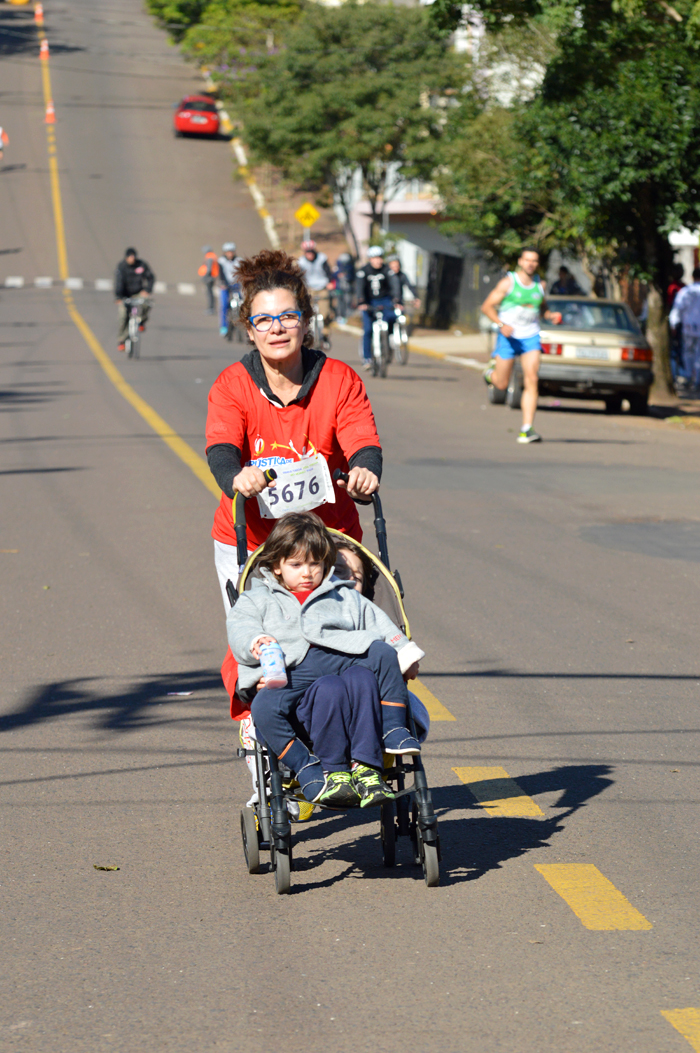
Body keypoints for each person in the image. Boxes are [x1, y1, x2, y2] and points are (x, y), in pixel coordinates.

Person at [205, 247, 383, 612]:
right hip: (253, 541)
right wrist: (236, 477)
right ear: (250, 331)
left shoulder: (340, 380)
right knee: (258, 649)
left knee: (342, 641)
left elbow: (362, 440)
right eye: (264, 320)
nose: (277, 328)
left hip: (329, 538)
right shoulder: (231, 385)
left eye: (288, 316)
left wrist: (364, 472)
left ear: (305, 322)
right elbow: (221, 447)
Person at [228, 512, 425, 807]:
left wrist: (405, 652)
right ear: (276, 567)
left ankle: (392, 732)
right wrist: (256, 641)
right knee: (264, 708)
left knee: (382, 652)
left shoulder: (341, 594)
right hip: (292, 668)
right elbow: (240, 627)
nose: (307, 573)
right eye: (296, 565)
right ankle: (307, 768)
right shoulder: (257, 598)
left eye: (315, 564)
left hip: (342, 657)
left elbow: (379, 622)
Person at [481, 247, 562, 444]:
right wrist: (501, 325)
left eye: (534, 261)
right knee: (501, 384)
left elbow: (542, 309)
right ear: (520, 261)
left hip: (530, 337)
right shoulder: (509, 282)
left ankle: (527, 428)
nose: (531, 264)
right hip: (508, 338)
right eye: (527, 260)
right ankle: (489, 373)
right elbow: (487, 306)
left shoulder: (539, 285)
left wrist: (550, 315)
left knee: (532, 379)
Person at [355, 246, 402, 370]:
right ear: (370, 259)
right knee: (368, 330)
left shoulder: (387, 270)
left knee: (393, 318)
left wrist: (397, 300)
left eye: (380, 258)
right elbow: (359, 287)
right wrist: (361, 301)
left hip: (385, 300)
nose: (378, 261)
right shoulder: (363, 271)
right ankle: (367, 358)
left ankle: (388, 342)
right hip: (369, 302)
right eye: (375, 258)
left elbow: (395, 284)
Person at [114, 247, 155, 352]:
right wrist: (119, 297)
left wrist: (147, 290)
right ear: (126, 257)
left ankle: (141, 321)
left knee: (147, 303)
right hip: (125, 295)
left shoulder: (141, 265)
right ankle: (122, 340)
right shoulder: (122, 267)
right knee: (123, 316)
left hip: (138, 293)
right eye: (130, 257)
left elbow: (150, 277)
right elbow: (118, 282)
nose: (132, 259)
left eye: (133, 256)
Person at [670, 267, 700, 394]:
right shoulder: (686, 291)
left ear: (693, 277)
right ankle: (697, 380)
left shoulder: (686, 291)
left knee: (688, 353)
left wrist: (674, 325)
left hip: (687, 328)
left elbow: (677, 310)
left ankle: (689, 376)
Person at [298, 240, 334, 323]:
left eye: (311, 252)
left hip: (322, 287)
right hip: (309, 288)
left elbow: (328, 271)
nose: (310, 255)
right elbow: (299, 275)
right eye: (307, 253)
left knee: (325, 311)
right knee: (307, 311)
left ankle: (325, 331)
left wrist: (330, 282)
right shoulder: (301, 262)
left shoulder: (322, 258)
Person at [217, 242, 241, 337]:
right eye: (228, 252)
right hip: (225, 285)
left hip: (236, 285)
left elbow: (242, 273)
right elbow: (220, 274)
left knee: (242, 303)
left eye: (231, 252)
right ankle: (224, 326)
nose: (230, 254)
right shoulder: (221, 261)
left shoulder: (239, 261)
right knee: (224, 306)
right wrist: (223, 283)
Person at [332, 252, 355, 324]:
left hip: (348, 289)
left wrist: (347, 275)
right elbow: (333, 276)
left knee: (348, 302)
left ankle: (348, 317)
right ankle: (340, 316)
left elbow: (352, 277)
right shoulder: (337, 268)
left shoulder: (351, 268)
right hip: (339, 288)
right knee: (340, 303)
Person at [198, 246, 219, 314]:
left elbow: (209, 268)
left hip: (210, 277)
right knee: (210, 293)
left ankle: (211, 308)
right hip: (212, 277)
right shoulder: (212, 256)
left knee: (209, 293)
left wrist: (206, 276)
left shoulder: (209, 256)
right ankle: (211, 308)